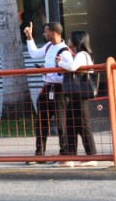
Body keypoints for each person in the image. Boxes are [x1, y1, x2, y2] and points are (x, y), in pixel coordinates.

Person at [24, 21, 73, 164]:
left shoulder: (65, 51)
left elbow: (66, 75)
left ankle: (64, 154)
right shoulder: (48, 46)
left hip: (59, 91)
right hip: (46, 88)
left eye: (46, 31)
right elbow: (33, 54)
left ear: (54, 32)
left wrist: (48, 72)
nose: (44, 34)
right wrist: (29, 37)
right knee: (41, 123)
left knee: (61, 124)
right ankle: (39, 154)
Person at [58, 30, 98, 167]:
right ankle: (70, 156)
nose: (68, 40)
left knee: (82, 125)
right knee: (71, 125)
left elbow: (72, 67)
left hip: (80, 96)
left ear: (77, 40)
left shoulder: (82, 54)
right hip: (77, 96)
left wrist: (60, 63)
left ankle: (91, 156)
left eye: (70, 38)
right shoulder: (83, 54)